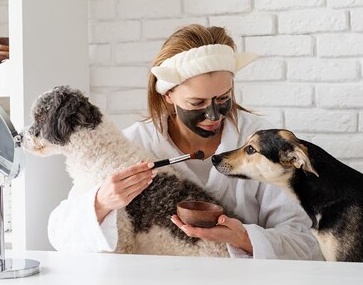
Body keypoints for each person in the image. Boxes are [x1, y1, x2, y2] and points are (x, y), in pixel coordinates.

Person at [47, 24, 320, 259]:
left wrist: (244, 239)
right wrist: (101, 202)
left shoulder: (264, 143)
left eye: (224, 98)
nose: (214, 115)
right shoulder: (131, 144)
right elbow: (59, 235)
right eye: (197, 102)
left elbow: (305, 240)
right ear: (168, 95)